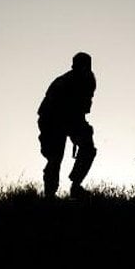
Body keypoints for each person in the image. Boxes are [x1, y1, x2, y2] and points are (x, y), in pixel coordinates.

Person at [37, 52, 97, 199]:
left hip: (71, 118)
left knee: (88, 147)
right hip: (52, 119)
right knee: (55, 157)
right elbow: (47, 110)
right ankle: (50, 194)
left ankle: (75, 186)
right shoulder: (63, 82)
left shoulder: (89, 79)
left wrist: (81, 127)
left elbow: (83, 107)